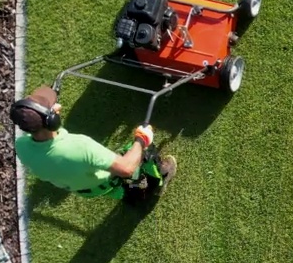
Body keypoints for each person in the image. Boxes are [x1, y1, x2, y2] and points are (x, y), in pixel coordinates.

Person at [11, 85, 176, 201]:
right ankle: (162, 177)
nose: (59, 105)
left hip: (84, 190)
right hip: (104, 181)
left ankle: (127, 194)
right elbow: (126, 168)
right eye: (55, 107)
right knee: (144, 153)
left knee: (116, 188)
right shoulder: (81, 147)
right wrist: (141, 139)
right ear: (51, 120)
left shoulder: (21, 146)